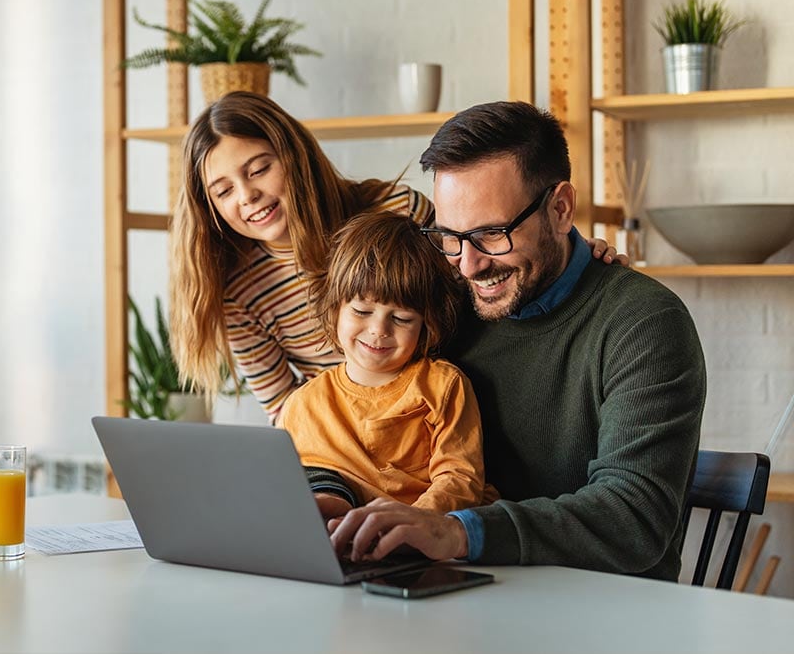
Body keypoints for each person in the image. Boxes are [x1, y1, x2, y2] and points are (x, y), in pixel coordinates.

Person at [329, 101, 706, 582]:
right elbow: (359, 410)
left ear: (561, 208)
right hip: (457, 594)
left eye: (491, 233)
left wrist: (456, 532)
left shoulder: (644, 323)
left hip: (603, 614)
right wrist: (327, 491)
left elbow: (633, 517)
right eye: (450, 236)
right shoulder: (444, 307)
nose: (468, 264)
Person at [169, 91, 624, 425]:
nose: (247, 197)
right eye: (223, 190)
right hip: (347, 443)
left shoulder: (395, 210)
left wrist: (576, 256)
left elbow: (487, 277)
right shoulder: (238, 294)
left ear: (293, 157)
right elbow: (286, 415)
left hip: (451, 412)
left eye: (259, 169)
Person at [279, 210, 494, 516]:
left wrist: (414, 525)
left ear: (426, 325)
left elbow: (460, 481)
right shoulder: (301, 406)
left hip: (428, 541)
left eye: (401, 318)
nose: (379, 330)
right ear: (335, 309)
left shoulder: (443, 386)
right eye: (362, 311)